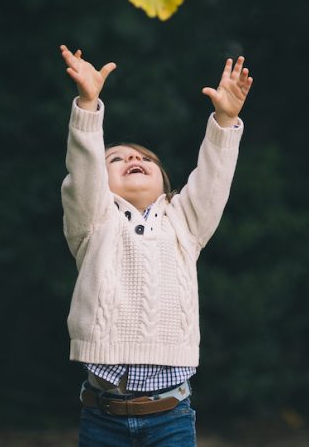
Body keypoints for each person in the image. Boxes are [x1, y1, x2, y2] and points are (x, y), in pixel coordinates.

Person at [59, 44, 253, 447]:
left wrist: (224, 120)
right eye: (117, 159)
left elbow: (213, 181)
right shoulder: (94, 221)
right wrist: (88, 107)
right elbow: (83, 173)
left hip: (171, 415)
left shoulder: (184, 223)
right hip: (103, 415)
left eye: (145, 158)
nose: (133, 157)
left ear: (165, 185)